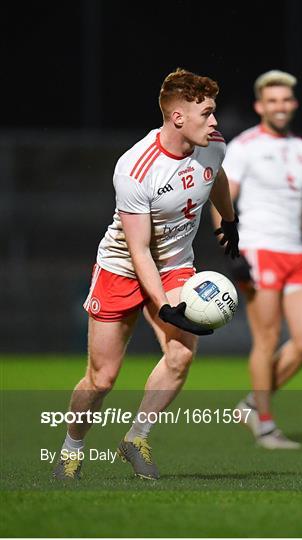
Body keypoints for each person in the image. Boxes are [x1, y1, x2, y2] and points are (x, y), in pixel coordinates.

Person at [53, 68, 239, 480]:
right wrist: (164, 307)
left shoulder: (213, 146)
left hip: (174, 265)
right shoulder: (136, 168)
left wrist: (229, 218)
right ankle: (71, 449)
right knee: (102, 379)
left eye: (214, 113)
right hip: (122, 268)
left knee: (181, 355)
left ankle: (135, 437)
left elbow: (216, 176)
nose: (215, 122)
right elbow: (138, 250)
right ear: (177, 118)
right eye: (206, 113)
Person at [213, 70, 302, 449]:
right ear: (260, 106)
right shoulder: (244, 146)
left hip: (296, 253)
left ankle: (252, 404)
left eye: (286, 99)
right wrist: (232, 252)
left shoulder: (301, 148)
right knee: (266, 339)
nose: (280, 106)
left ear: (294, 103)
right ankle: (265, 424)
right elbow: (222, 202)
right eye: (272, 100)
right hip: (258, 249)